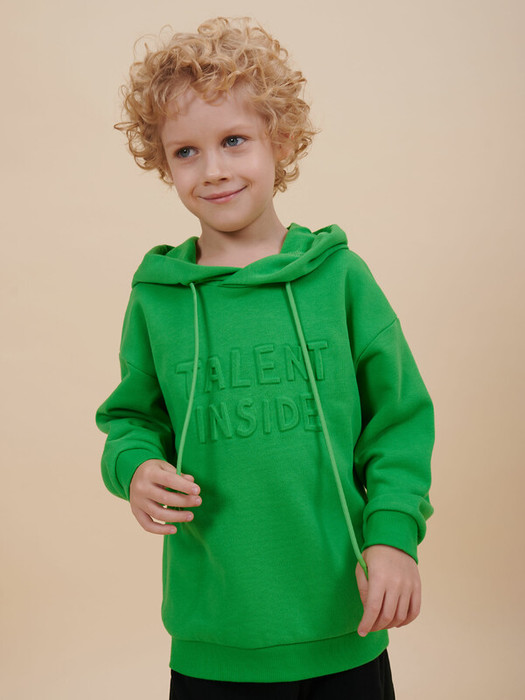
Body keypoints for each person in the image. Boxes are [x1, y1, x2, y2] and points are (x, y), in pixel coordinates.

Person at [96, 16, 434, 699]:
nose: (213, 170)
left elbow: (398, 422)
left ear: (279, 139)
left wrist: (394, 535)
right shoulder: (158, 299)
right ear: (162, 163)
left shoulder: (339, 278)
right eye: (186, 151)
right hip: (213, 640)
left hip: (344, 621)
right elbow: (130, 420)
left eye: (233, 140)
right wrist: (135, 469)